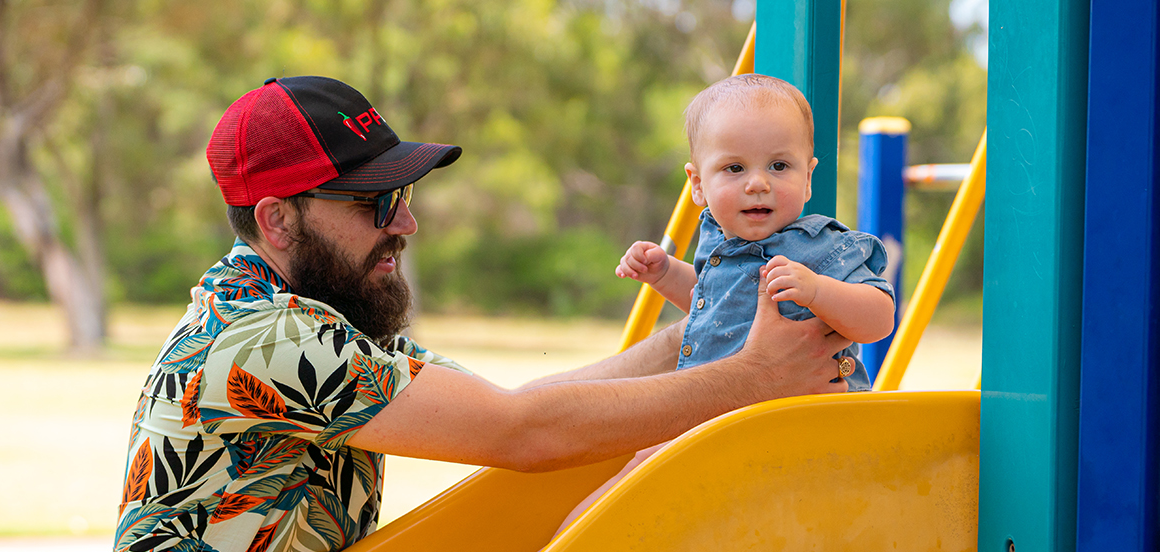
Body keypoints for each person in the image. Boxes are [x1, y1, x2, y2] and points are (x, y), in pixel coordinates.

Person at [112, 76, 855, 552]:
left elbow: (514, 406)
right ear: (278, 221)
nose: (403, 224)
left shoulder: (304, 316)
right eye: (377, 203)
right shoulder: (266, 340)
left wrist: (705, 335)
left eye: (404, 198)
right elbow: (521, 434)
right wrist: (752, 377)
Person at [559, 74, 897, 532]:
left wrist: (818, 291)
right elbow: (713, 307)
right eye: (734, 169)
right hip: (712, 416)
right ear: (697, 184)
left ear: (809, 176)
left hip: (801, 431)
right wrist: (665, 274)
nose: (758, 183)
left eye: (779, 166)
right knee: (615, 500)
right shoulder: (717, 240)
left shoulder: (825, 249)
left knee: (626, 500)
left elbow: (878, 318)